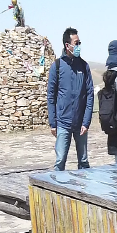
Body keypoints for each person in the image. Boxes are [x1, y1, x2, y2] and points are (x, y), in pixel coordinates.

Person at [47, 27, 94, 171]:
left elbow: (90, 94)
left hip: (80, 124)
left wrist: (86, 122)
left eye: (79, 43)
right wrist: (53, 122)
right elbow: (51, 96)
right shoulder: (57, 66)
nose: (79, 46)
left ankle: (84, 185)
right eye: (76, 43)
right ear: (67, 45)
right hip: (63, 123)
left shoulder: (84, 66)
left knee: (84, 162)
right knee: (60, 160)